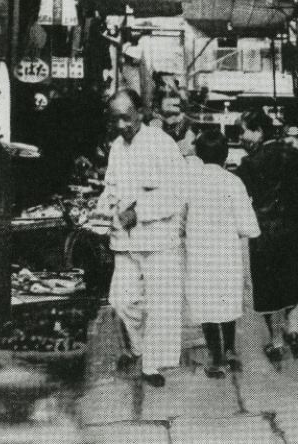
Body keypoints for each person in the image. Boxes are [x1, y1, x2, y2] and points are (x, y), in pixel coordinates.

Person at [94, 89, 187, 388]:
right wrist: (102, 207)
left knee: (160, 304)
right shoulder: (116, 148)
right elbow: (110, 187)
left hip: (158, 239)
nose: (121, 125)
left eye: (126, 117)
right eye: (115, 119)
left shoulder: (162, 144)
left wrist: (141, 211)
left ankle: (151, 365)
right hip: (124, 240)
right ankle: (138, 346)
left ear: (141, 113)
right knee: (121, 301)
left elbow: (177, 194)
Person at [236, 109, 298, 363]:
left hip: (264, 229)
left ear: (258, 130)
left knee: (267, 285)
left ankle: (276, 340)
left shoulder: (249, 164)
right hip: (293, 226)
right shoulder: (293, 154)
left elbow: (236, 196)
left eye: (242, 131)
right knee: (294, 277)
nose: (240, 138)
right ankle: (294, 328)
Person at [184, 130, 260, 378]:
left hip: (199, 254)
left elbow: (180, 219)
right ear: (226, 154)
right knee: (227, 300)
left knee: (206, 304)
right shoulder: (233, 182)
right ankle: (230, 350)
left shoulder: (190, 182)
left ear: (198, 154)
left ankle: (216, 357)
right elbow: (247, 226)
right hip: (226, 252)